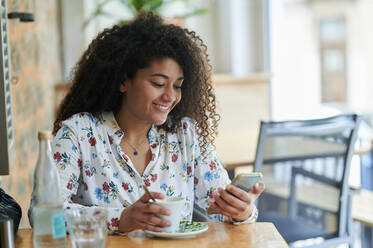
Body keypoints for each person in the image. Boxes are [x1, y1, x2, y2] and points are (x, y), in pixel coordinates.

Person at [50, 11, 264, 234]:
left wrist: (242, 211)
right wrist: (120, 219)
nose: (170, 96)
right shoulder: (78, 134)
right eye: (159, 83)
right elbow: (45, 213)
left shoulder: (185, 134)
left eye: (178, 85)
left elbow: (221, 209)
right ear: (124, 80)